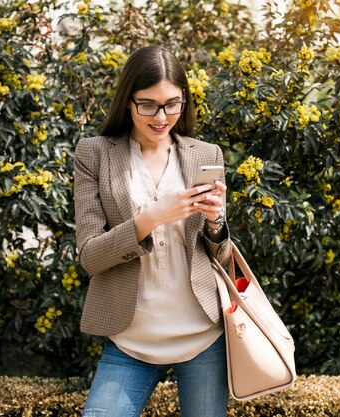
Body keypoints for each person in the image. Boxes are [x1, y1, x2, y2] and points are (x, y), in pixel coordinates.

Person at [74, 45, 232, 417]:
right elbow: (90, 257)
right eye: (148, 105)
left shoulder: (205, 154)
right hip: (130, 336)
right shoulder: (94, 153)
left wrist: (215, 223)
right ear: (127, 101)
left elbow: (222, 257)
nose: (161, 117)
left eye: (172, 104)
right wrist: (151, 218)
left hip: (203, 333)